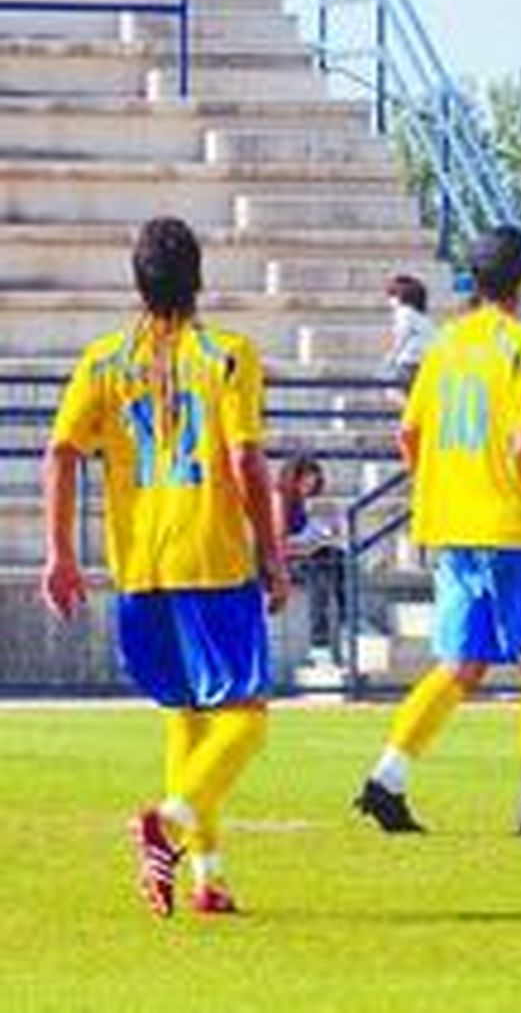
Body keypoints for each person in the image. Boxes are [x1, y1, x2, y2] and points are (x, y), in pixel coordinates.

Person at [41, 216, 287, 916]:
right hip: (210, 558)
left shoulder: (103, 361)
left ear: (138, 282)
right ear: (199, 276)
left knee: (186, 714)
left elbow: (60, 452)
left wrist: (61, 553)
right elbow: (244, 458)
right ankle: (169, 822)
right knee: (246, 718)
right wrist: (272, 552)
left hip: (139, 566)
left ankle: (209, 878)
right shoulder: (229, 356)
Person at [353, 226, 521, 838]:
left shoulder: (444, 346)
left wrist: (442, 486)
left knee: (460, 665)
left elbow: (408, 434)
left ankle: (386, 779)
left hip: (455, 528)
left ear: (474, 278)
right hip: (518, 527)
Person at [273, 454, 344, 663]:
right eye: (305, 484)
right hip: (280, 561)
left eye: (312, 484)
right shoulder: (279, 499)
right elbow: (277, 543)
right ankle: (319, 643)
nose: (308, 489)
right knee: (319, 576)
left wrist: (323, 537)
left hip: (302, 555)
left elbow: (302, 535)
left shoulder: (299, 501)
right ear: (293, 479)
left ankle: (348, 620)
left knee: (339, 558)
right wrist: (308, 547)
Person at [384, 273, 436, 392]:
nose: (389, 300)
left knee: (392, 391)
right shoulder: (421, 317)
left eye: (392, 295)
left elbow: (400, 338)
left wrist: (390, 359)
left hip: (410, 362)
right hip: (424, 361)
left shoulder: (404, 312)